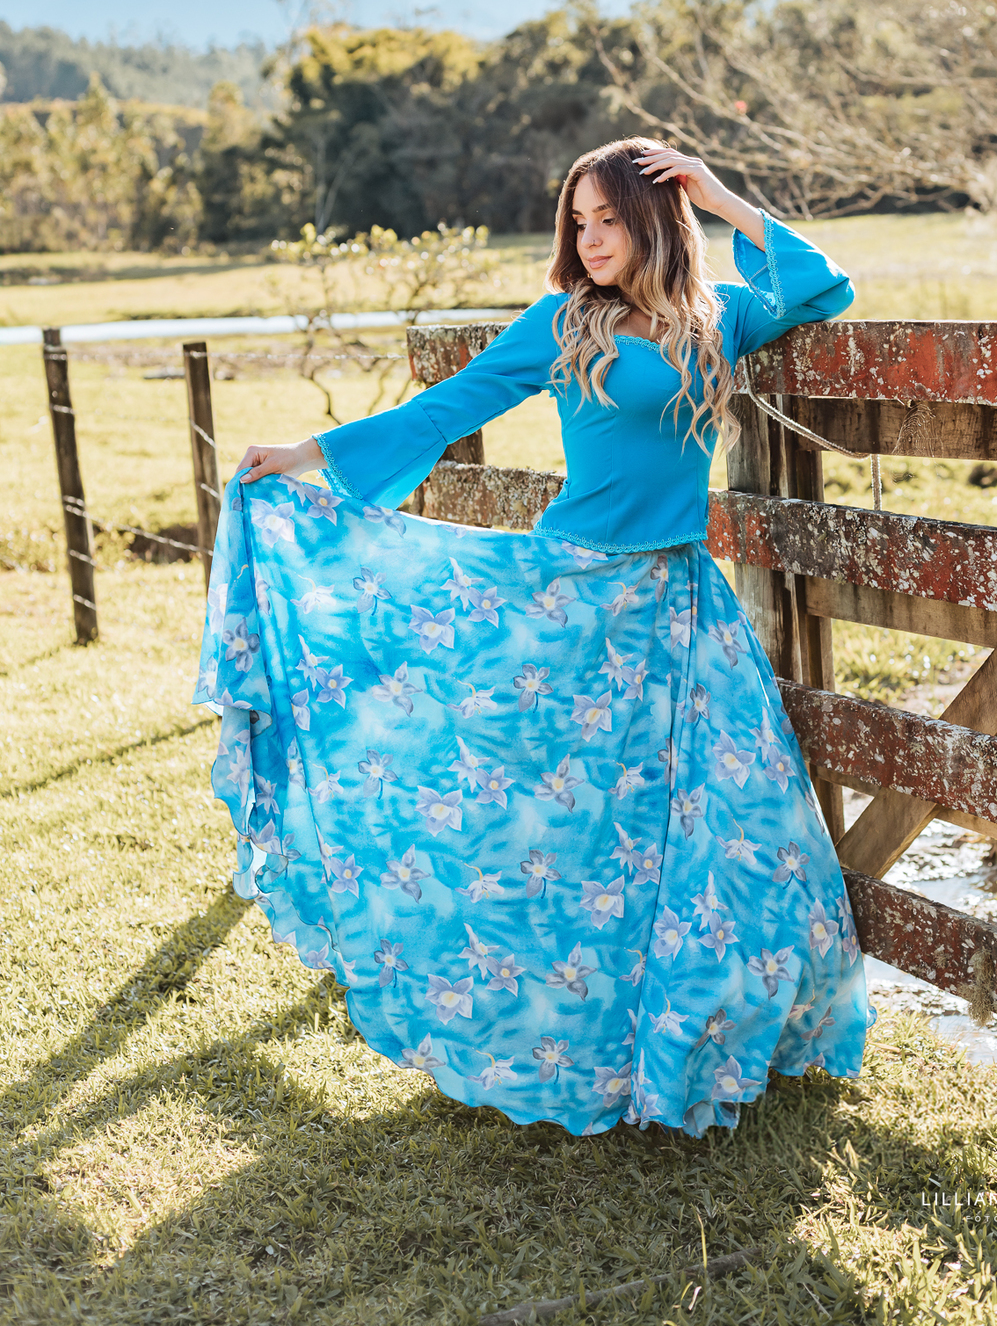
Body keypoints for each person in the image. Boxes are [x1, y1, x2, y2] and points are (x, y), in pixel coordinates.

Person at [194, 136, 873, 1138]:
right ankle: (560, 1032)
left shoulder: (720, 316)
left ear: (655, 218)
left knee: (715, 819)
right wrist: (307, 455)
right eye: (579, 222)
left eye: (610, 219)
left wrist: (718, 194)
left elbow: (822, 287)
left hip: (681, 605)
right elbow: (451, 406)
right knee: (559, 825)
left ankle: (688, 1028)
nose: (590, 239)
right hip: (570, 602)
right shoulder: (563, 323)